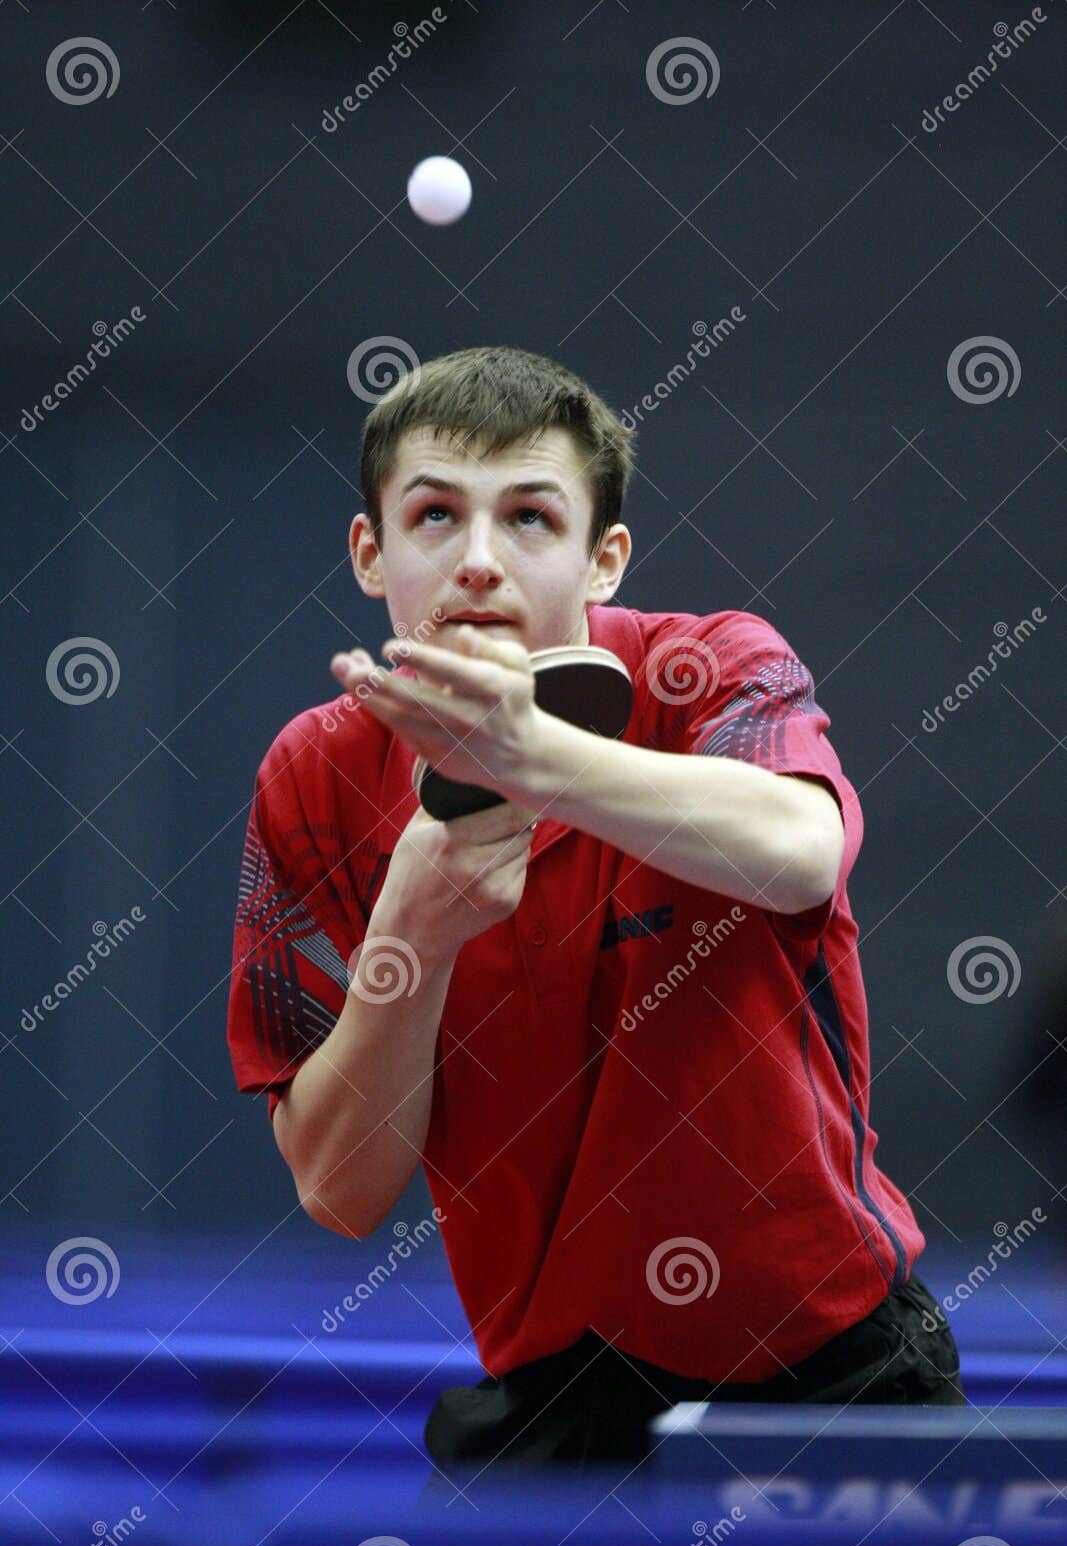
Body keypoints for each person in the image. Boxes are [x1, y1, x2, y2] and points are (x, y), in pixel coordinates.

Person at [225, 345, 966, 1485]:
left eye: (528, 518)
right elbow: (338, 1188)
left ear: (601, 558)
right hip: (558, 1402)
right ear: (371, 555)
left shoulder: (710, 666)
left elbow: (798, 851)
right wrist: (409, 940)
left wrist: (533, 759)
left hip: (831, 1371)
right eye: (433, 517)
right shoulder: (311, 779)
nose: (477, 561)